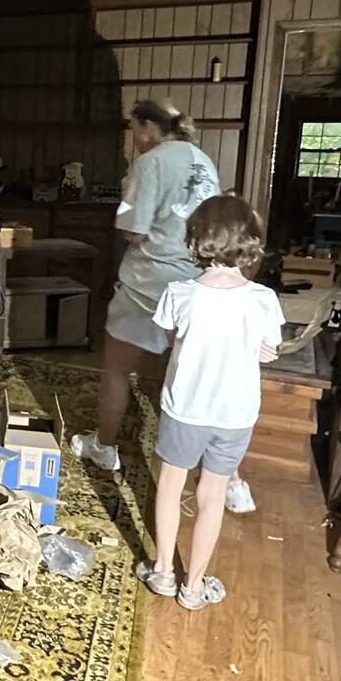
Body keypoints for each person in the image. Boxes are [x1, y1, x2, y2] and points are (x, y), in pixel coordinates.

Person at [68, 100, 256, 510]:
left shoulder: (151, 162)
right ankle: (230, 480)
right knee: (199, 375)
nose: (133, 140)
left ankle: (104, 446)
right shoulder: (203, 160)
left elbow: (132, 230)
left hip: (149, 284)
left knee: (117, 369)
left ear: (149, 127)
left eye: (134, 130)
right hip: (199, 284)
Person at [140, 194, 282, 610]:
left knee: (170, 486)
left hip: (186, 406)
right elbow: (268, 349)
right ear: (250, 241)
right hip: (235, 413)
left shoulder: (179, 293)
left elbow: (170, 339)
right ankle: (195, 586)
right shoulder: (263, 299)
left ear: (196, 238)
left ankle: (164, 571)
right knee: (213, 494)